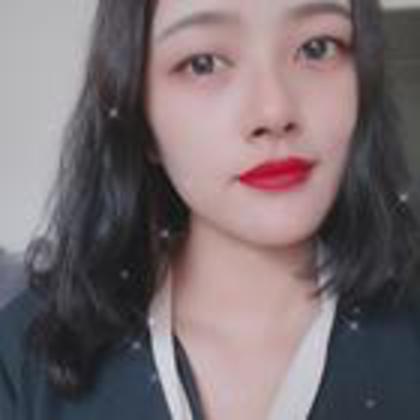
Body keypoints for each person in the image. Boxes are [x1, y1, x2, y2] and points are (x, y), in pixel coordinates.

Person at [1, 0, 420, 419]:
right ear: (137, 113)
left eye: (317, 48)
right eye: (203, 64)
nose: (275, 112)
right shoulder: (26, 352)